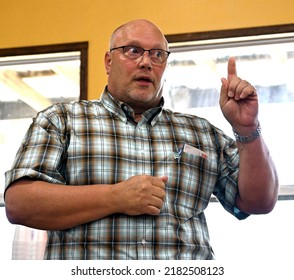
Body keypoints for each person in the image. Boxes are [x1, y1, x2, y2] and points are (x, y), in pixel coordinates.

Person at [4, 19, 279, 260]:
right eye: (133, 50)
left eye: (157, 54)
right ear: (108, 62)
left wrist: (247, 128)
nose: (146, 62)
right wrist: (115, 197)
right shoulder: (61, 120)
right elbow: (20, 204)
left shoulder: (202, 132)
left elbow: (259, 201)